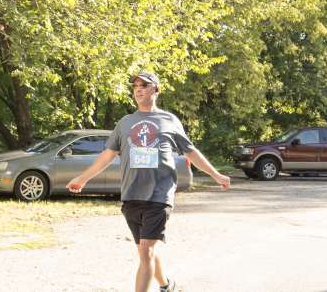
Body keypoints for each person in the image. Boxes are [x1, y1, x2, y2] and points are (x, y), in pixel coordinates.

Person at [66, 72, 231, 292]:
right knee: (146, 252)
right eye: (135, 85)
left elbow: (191, 152)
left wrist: (216, 175)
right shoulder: (125, 122)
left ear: (156, 89)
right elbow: (108, 154)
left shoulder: (169, 121)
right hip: (131, 194)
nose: (138, 88)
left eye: (144, 84)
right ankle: (166, 285)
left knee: (147, 252)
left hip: (159, 194)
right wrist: (82, 178)